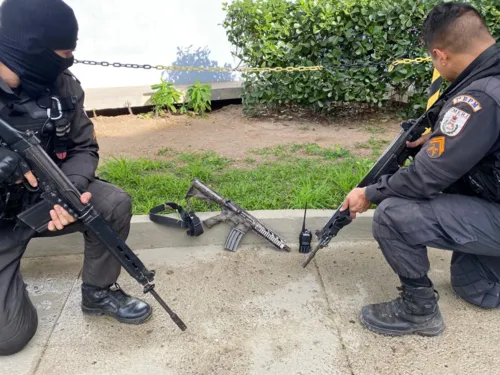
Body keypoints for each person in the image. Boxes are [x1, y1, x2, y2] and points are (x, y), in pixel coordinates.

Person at [0, 0, 152, 356]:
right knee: (11, 338)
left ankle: (98, 293)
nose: (69, 60)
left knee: (112, 204)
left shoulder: (63, 87)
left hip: (41, 201)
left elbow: (84, 147)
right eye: (64, 53)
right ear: (29, 48)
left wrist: (70, 191)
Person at [341, 2, 500, 337]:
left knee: (394, 214)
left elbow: (426, 178)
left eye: (432, 58)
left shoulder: (479, 99)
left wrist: (369, 193)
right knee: (473, 287)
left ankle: (419, 311)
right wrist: (440, 138)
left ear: (441, 55)